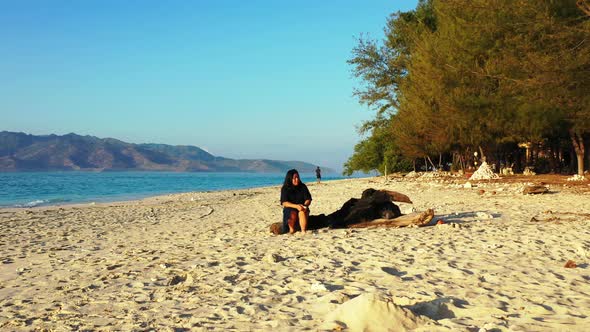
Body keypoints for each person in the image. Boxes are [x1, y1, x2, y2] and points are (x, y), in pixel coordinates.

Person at [280, 169, 312, 234]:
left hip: (302, 207)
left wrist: (305, 205)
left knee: (302, 212)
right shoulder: (285, 188)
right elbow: (284, 202)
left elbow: (308, 199)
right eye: (294, 178)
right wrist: (296, 206)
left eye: (297, 177)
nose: (297, 179)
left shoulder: (303, 186)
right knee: (292, 213)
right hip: (290, 208)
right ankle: (291, 230)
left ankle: (303, 231)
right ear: (290, 178)